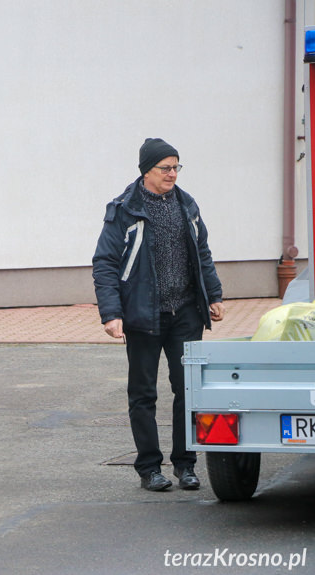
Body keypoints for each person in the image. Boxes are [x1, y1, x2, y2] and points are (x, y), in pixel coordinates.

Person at [92, 138, 226, 492]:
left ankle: (186, 465)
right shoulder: (125, 209)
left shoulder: (186, 205)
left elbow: (203, 252)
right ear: (146, 171)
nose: (172, 174)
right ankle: (150, 468)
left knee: (188, 390)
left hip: (185, 312)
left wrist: (213, 294)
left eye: (176, 167)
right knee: (143, 393)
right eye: (165, 168)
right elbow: (105, 263)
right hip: (142, 314)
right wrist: (111, 313)